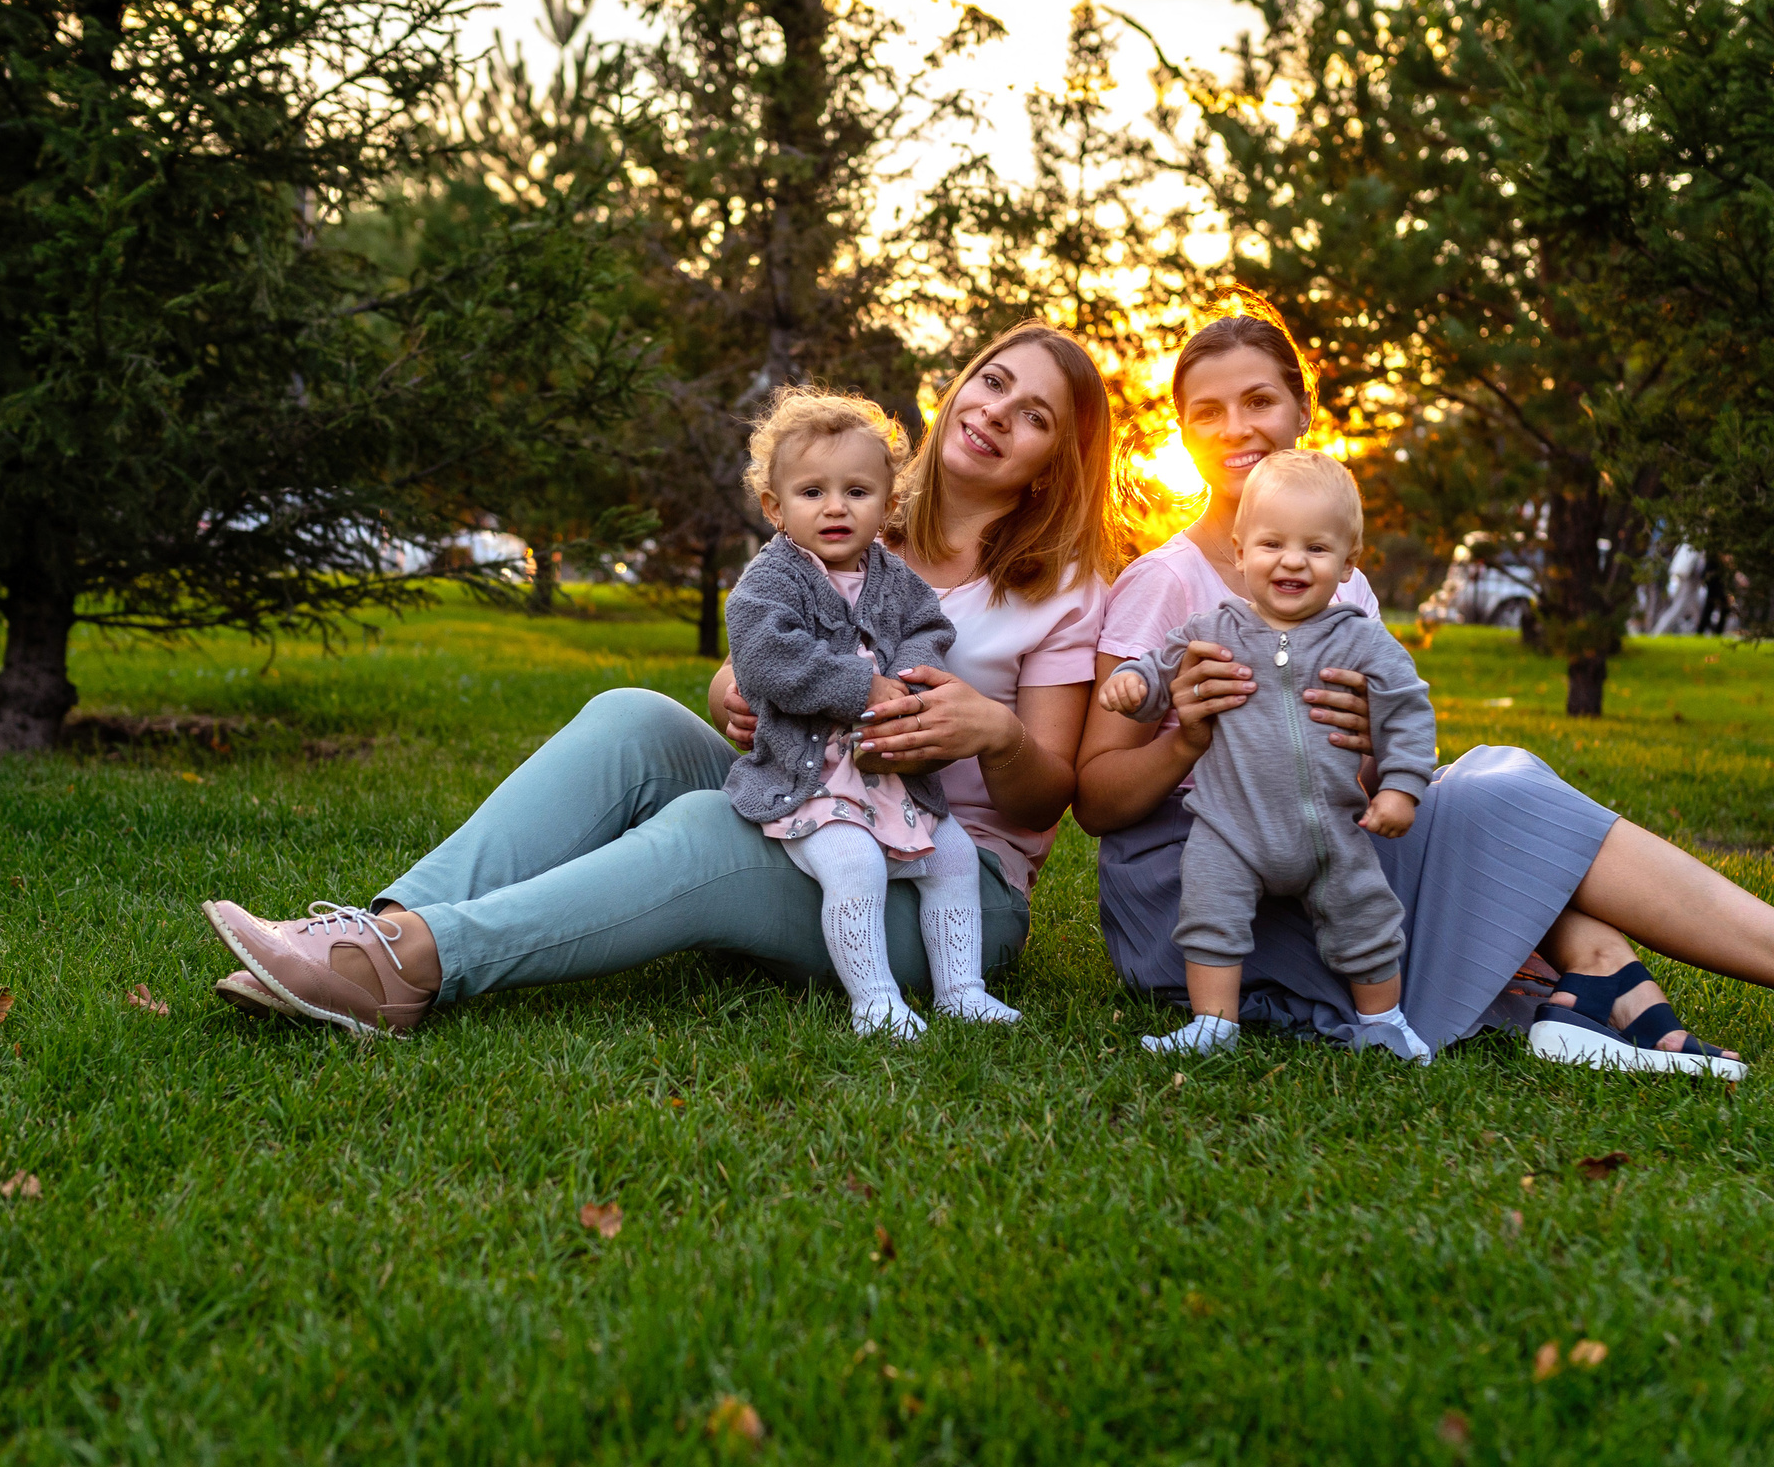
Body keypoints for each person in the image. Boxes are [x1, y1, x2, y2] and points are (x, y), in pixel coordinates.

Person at [1074, 307, 1774, 1081]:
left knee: (1495, 778)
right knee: (1504, 799)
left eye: (1260, 400)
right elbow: (1099, 801)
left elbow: (1379, 758)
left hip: (1326, 848)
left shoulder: (1340, 584)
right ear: (1181, 431)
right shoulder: (1168, 583)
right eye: (1208, 412)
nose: (1238, 429)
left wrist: (1374, 753)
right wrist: (1187, 736)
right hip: (1207, 895)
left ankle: (1611, 984)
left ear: (1300, 412)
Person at [200, 320, 1115, 1035]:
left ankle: (411, 965)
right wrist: (731, 686)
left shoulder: (1062, 589)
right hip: (811, 793)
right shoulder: (853, 509)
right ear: (962, 390)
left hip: (947, 886)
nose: (999, 412)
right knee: (631, 714)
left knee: (704, 826)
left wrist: (994, 731)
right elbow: (769, 637)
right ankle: (377, 927)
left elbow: (1046, 800)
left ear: (1054, 464)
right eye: (994, 382)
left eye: (1036, 415)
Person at [1099, 449, 1437, 1062]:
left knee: (1366, 919)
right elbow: (1161, 670)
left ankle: (1383, 1021)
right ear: (1240, 548)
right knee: (1209, 915)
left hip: (1332, 829)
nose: (1291, 561)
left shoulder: (1361, 639)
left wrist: (1400, 787)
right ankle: (1213, 1025)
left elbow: (1407, 709)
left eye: (1316, 549)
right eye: (1272, 543)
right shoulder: (1215, 627)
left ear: (1347, 565)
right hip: (1232, 826)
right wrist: (1134, 685)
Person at [725, 387, 1017, 1039]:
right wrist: (863, 686)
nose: (835, 506)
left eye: (857, 491)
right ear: (775, 506)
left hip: (891, 775)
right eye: (811, 492)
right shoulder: (769, 580)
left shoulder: (895, 576)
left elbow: (927, 628)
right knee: (852, 865)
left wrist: (909, 682)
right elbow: (768, 657)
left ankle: (962, 989)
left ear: (887, 505)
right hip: (811, 780)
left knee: (954, 857)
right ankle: (875, 999)